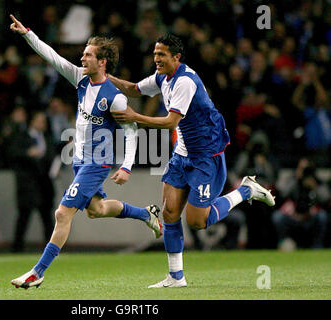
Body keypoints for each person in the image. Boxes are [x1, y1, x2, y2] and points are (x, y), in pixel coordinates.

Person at [109, 33, 276, 288]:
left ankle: (246, 190)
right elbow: (133, 89)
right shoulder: (161, 78)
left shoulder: (185, 82)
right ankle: (176, 277)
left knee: (198, 222)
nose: (156, 59)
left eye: (161, 54)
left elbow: (170, 122)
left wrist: (135, 117)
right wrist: (104, 76)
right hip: (183, 153)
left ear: (176, 57)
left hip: (206, 155)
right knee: (169, 212)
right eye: (155, 54)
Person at [9, 14, 162, 289]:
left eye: (88, 55)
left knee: (62, 213)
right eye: (83, 54)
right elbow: (52, 56)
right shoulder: (79, 78)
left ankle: (38, 272)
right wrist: (27, 33)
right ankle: (146, 215)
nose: (82, 59)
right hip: (80, 160)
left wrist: (126, 166)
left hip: (98, 163)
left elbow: (131, 132)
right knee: (97, 209)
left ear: (102, 62)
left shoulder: (114, 97)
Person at [8, 111, 56, 252]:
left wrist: (54, 167)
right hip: (28, 184)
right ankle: (17, 247)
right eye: (40, 120)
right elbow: (12, 154)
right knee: (24, 216)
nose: (43, 124)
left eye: (44, 121)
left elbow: (52, 156)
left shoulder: (47, 138)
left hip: (44, 185)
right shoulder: (21, 137)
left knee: (47, 217)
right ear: (32, 122)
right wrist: (28, 153)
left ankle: (52, 249)